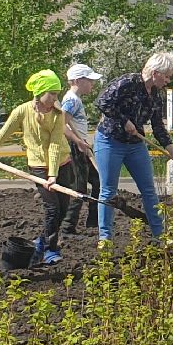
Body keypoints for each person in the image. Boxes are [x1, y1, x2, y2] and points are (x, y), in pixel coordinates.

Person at [0, 69, 90, 266]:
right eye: (52, 94)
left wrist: (53, 175)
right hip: (38, 166)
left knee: (63, 209)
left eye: (57, 93)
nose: (55, 98)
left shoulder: (57, 115)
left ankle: (42, 241)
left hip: (62, 164)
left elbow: (56, 144)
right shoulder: (22, 111)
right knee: (52, 209)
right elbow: (4, 132)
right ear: (40, 93)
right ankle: (49, 249)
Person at [94, 52, 173, 243]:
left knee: (149, 190)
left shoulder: (155, 96)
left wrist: (172, 150)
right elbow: (102, 102)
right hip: (110, 141)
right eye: (166, 76)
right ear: (156, 72)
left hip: (135, 145)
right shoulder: (127, 82)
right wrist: (124, 121)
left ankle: (161, 235)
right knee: (108, 190)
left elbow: (157, 126)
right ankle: (105, 239)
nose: (167, 80)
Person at [59, 64, 102, 237]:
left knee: (98, 180)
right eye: (89, 80)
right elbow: (61, 125)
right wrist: (78, 141)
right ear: (78, 81)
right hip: (75, 147)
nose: (92, 84)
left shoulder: (74, 99)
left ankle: (94, 221)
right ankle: (68, 227)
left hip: (81, 144)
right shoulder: (71, 101)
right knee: (79, 187)